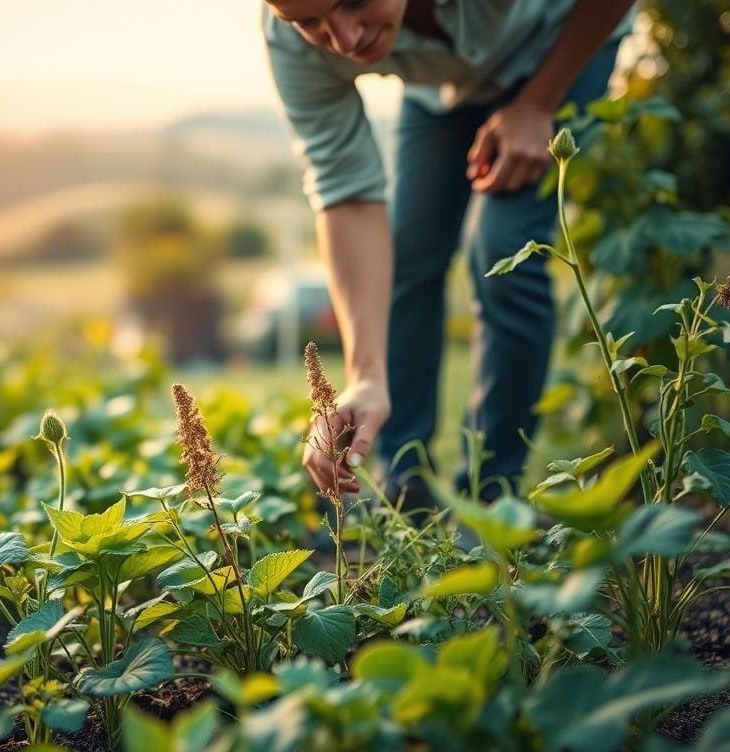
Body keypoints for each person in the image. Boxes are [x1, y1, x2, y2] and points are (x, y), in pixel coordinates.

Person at [263, 0, 635, 504]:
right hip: (440, 93)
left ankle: (490, 502)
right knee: (407, 252)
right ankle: (404, 489)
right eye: (309, 21)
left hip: (561, 41)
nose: (345, 39)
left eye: (352, 0)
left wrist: (538, 103)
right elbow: (346, 192)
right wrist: (365, 375)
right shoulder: (290, 43)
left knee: (504, 253)